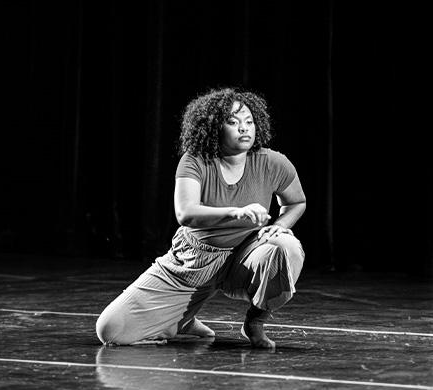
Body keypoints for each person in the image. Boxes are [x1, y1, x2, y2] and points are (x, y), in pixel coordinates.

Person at [96, 87, 306, 349]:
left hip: (245, 257)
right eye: (233, 122)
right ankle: (182, 321)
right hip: (194, 261)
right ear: (214, 128)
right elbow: (186, 213)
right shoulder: (195, 161)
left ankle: (255, 322)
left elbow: (296, 202)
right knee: (110, 330)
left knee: (286, 247)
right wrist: (235, 212)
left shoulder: (273, 162)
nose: (244, 128)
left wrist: (280, 226)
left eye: (249, 122)